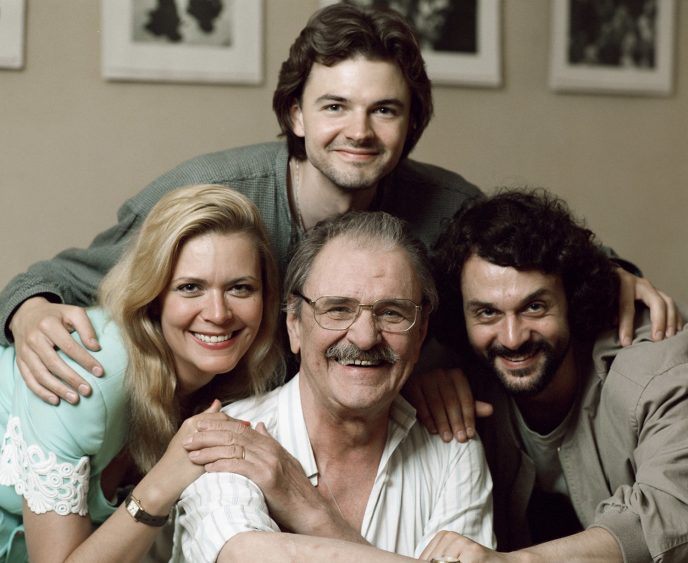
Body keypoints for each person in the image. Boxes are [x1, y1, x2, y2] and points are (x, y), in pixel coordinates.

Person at [0, 5, 678, 441]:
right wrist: (28, 310)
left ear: (410, 124)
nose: (359, 131)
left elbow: (531, 259)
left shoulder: (445, 205)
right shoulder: (212, 194)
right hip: (199, 444)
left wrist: (615, 275)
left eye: (385, 110)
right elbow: (61, 277)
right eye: (335, 107)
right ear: (295, 114)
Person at [172, 211, 494, 562]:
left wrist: (310, 511)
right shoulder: (233, 438)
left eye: (392, 312)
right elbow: (244, 556)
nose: (365, 337)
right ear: (294, 324)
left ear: (420, 333)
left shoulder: (452, 448)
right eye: (338, 309)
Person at [0, 184, 283, 562]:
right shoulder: (89, 373)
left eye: (240, 288)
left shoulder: (248, 386)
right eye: (190, 288)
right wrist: (165, 480)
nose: (218, 313)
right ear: (154, 297)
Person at [430, 189, 688, 562]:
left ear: (573, 298)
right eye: (487, 313)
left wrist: (514, 562)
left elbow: (673, 512)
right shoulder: (454, 378)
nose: (512, 338)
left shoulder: (658, 369)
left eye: (534, 307)